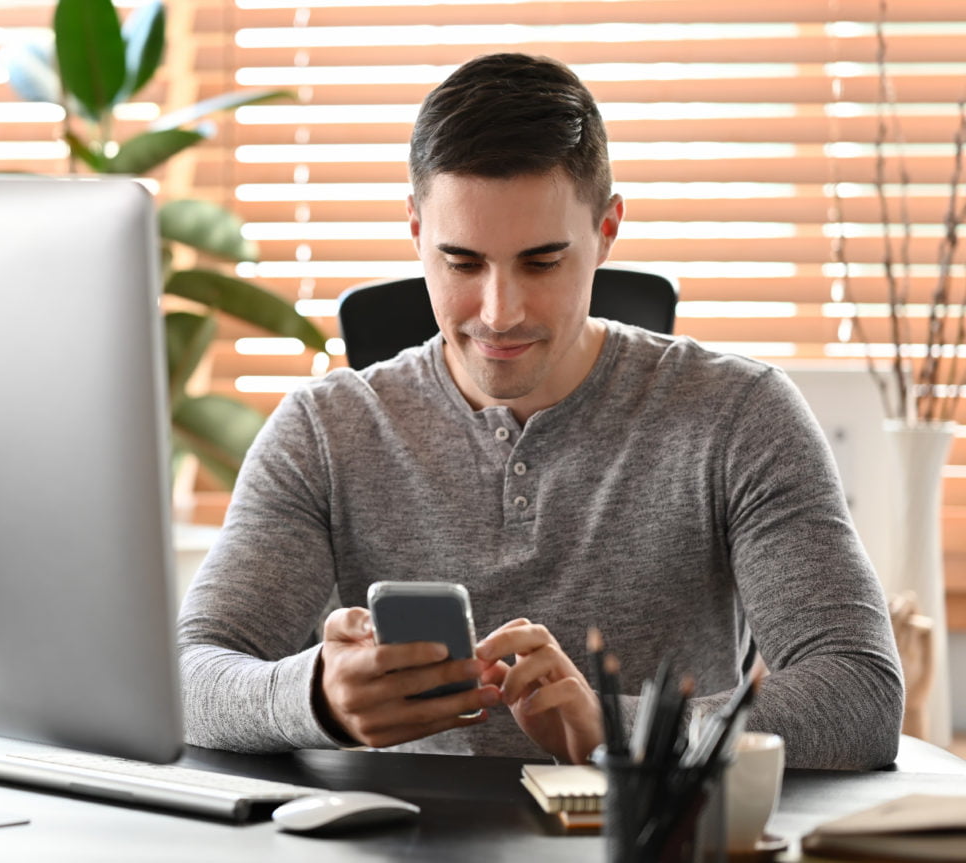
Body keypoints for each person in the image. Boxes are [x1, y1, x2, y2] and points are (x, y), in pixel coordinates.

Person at [176, 53, 903, 770]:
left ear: (607, 231)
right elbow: (184, 675)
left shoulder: (740, 416)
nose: (500, 313)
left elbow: (860, 694)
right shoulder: (322, 431)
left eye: (542, 262)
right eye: (462, 263)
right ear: (415, 232)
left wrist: (620, 733)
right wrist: (316, 697)